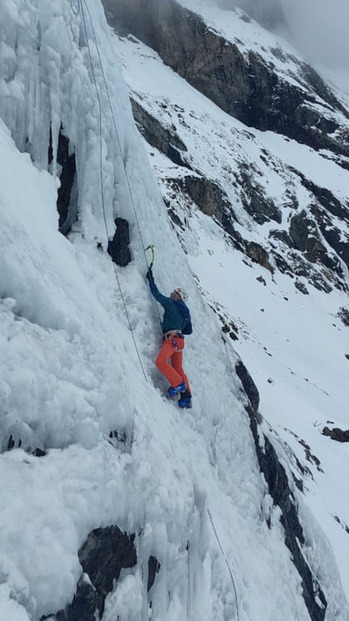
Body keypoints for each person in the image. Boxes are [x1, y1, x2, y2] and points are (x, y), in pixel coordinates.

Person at [146, 267, 192, 408]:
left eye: (175, 292)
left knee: (160, 361)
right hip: (179, 340)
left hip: (171, 339)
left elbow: (157, 295)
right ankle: (186, 397)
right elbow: (187, 330)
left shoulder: (171, 304)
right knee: (177, 367)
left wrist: (151, 280)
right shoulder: (184, 313)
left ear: (178, 297)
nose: (172, 293)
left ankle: (178, 384)